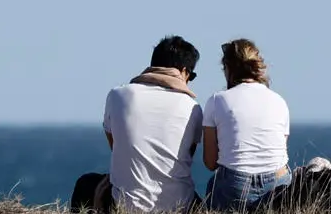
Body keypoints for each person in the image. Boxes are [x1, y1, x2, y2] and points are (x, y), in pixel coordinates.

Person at [101, 35, 205, 213]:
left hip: (126, 206)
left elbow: (118, 146)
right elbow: (187, 155)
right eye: (191, 76)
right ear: (184, 71)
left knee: (86, 184)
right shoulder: (192, 108)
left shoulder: (118, 96)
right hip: (179, 206)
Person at [201, 38, 291, 211]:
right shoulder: (279, 101)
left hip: (235, 186)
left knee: (214, 183)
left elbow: (210, 162)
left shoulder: (216, 100)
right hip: (278, 184)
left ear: (228, 68)